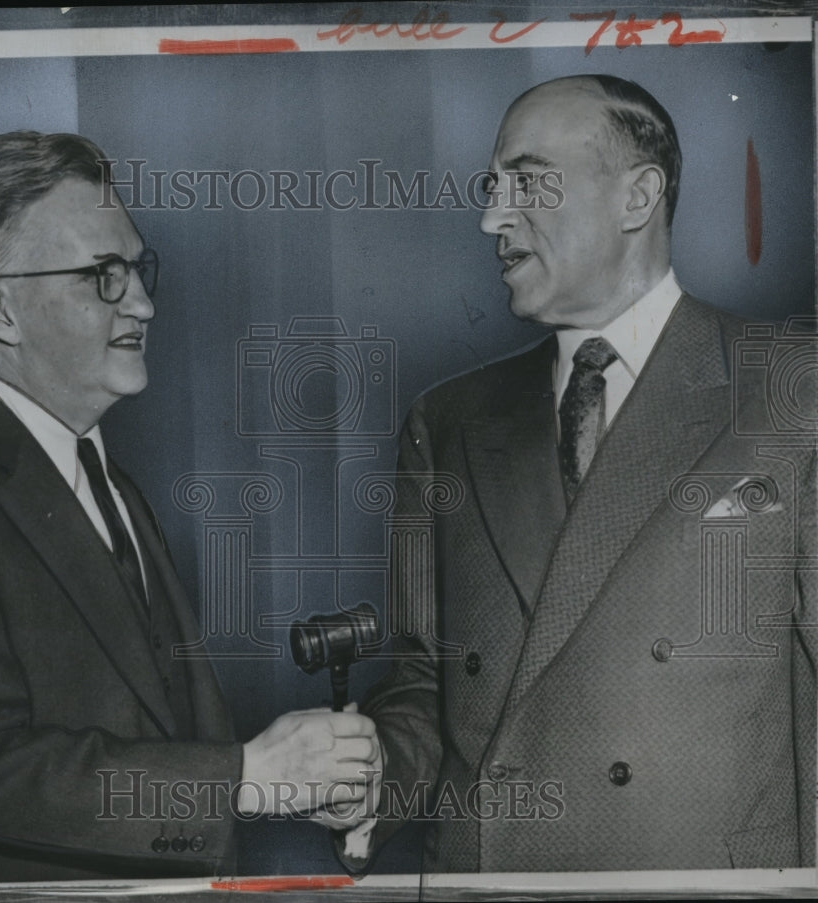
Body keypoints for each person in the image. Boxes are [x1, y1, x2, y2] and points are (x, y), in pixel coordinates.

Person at [0, 131, 381, 885]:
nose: (142, 301)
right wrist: (243, 775)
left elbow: (157, 735)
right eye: (102, 274)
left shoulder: (110, 482)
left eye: (137, 268)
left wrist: (294, 785)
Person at [341, 75, 815, 872]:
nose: (492, 216)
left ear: (638, 197)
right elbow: (425, 680)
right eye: (492, 188)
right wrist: (371, 777)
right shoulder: (448, 420)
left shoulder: (791, 389)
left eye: (527, 181)